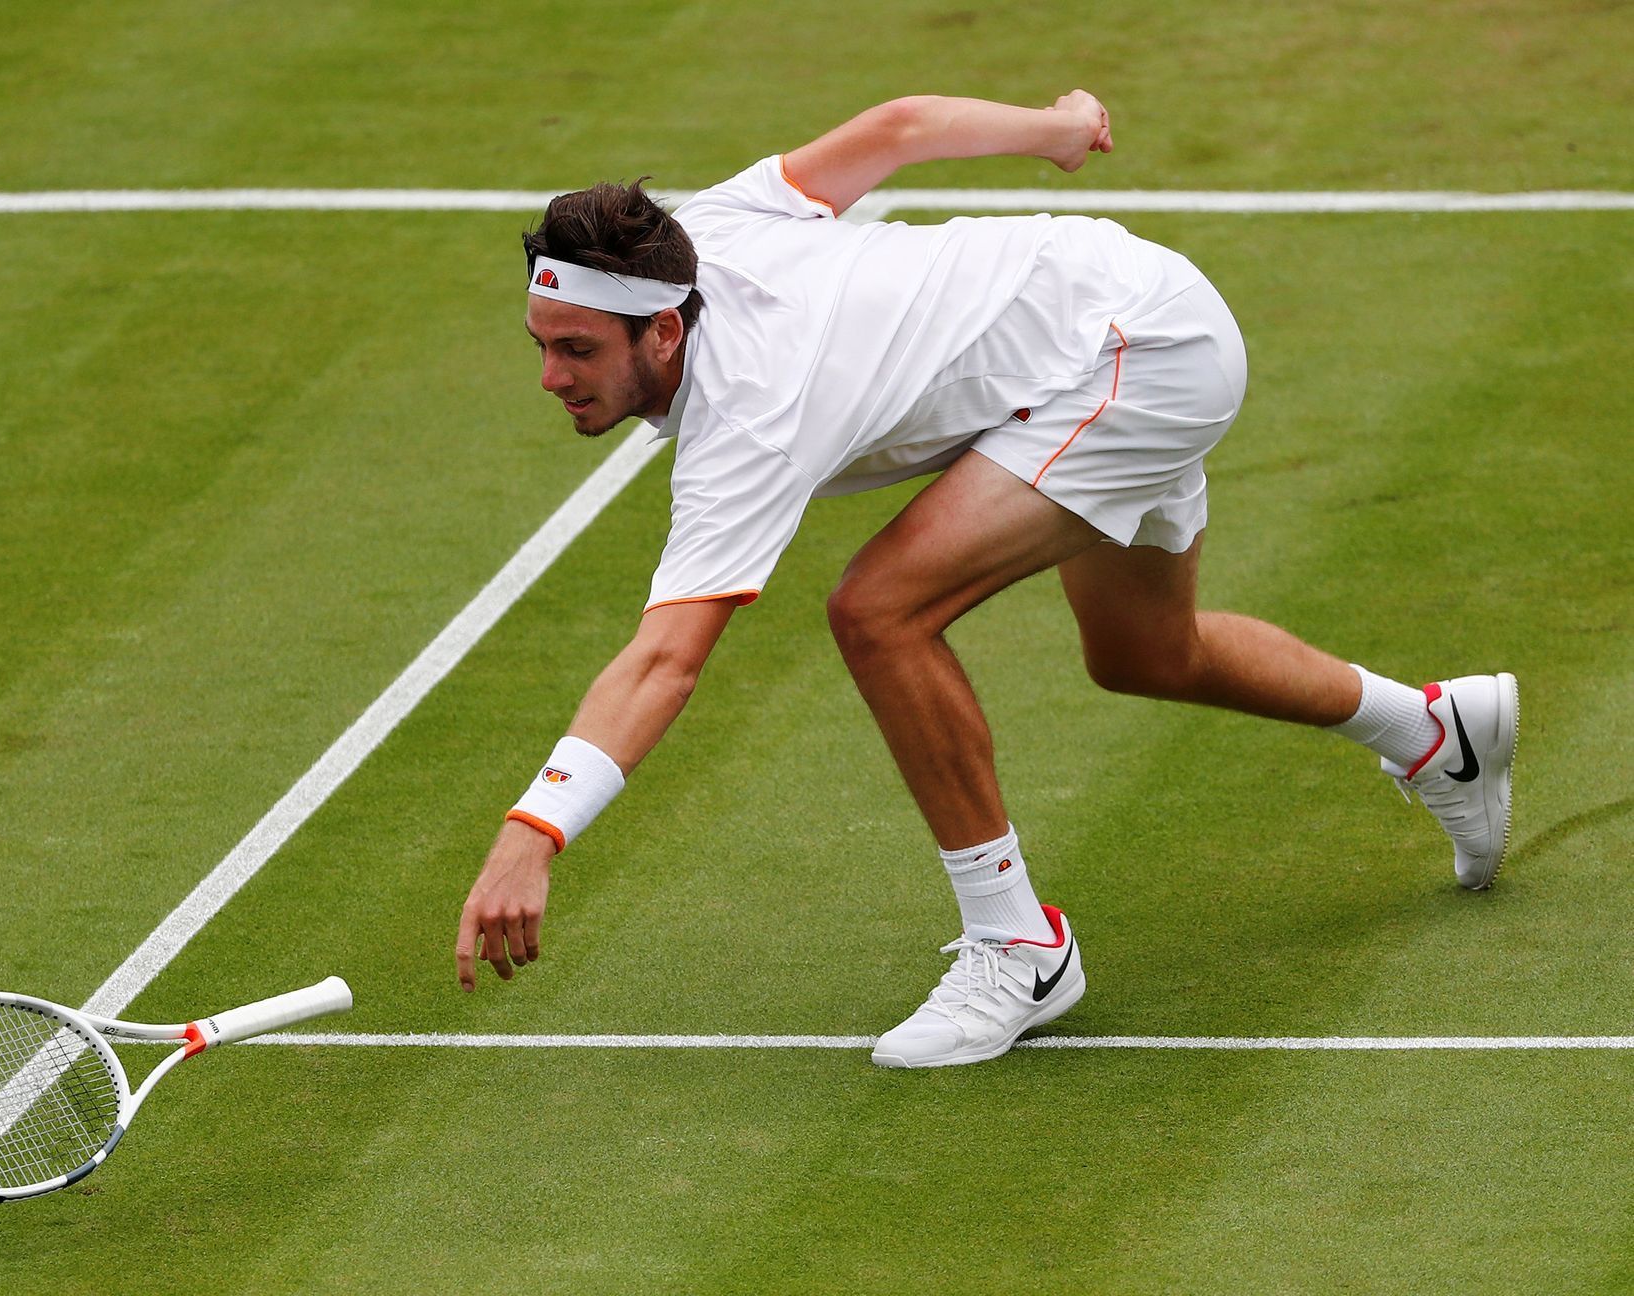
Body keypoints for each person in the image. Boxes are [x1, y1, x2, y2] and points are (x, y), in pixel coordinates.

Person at [454, 89, 1517, 1067]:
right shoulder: (709, 232)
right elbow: (902, 127)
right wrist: (1051, 130)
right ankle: (1435, 734)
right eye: (542, 344)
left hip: (1129, 356)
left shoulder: (752, 415)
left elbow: (663, 663)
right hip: (1113, 298)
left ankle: (1019, 947)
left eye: (578, 351)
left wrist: (532, 831)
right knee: (1147, 653)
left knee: (879, 612)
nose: (550, 377)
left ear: (666, 327)